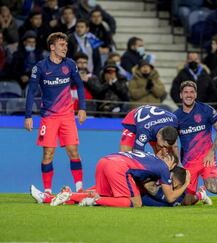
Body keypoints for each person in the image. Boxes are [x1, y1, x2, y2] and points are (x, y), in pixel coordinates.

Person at [24, 32, 87, 195]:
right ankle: (47, 190)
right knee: (48, 153)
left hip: (67, 116)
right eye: (61, 45)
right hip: (49, 117)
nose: (65, 48)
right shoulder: (40, 67)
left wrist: (82, 108)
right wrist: (28, 116)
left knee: (73, 151)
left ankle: (79, 188)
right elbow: (31, 92)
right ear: (52, 47)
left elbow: (80, 86)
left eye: (66, 45)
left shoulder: (71, 64)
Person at [174, 81, 217, 206]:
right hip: (188, 163)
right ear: (180, 95)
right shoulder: (175, 117)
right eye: (186, 92)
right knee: (186, 202)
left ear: (196, 94)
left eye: (192, 92)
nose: (189, 95)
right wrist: (178, 163)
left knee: (212, 186)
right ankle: (201, 194)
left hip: (207, 158)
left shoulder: (206, 110)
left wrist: (211, 152)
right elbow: (173, 142)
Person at [30, 156, 190, 207]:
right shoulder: (160, 175)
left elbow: (193, 196)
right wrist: (186, 181)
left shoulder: (176, 192)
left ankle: (46, 198)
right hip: (122, 174)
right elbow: (157, 191)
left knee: (91, 192)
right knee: (135, 203)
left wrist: (199, 194)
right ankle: (91, 199)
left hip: (109, 162)